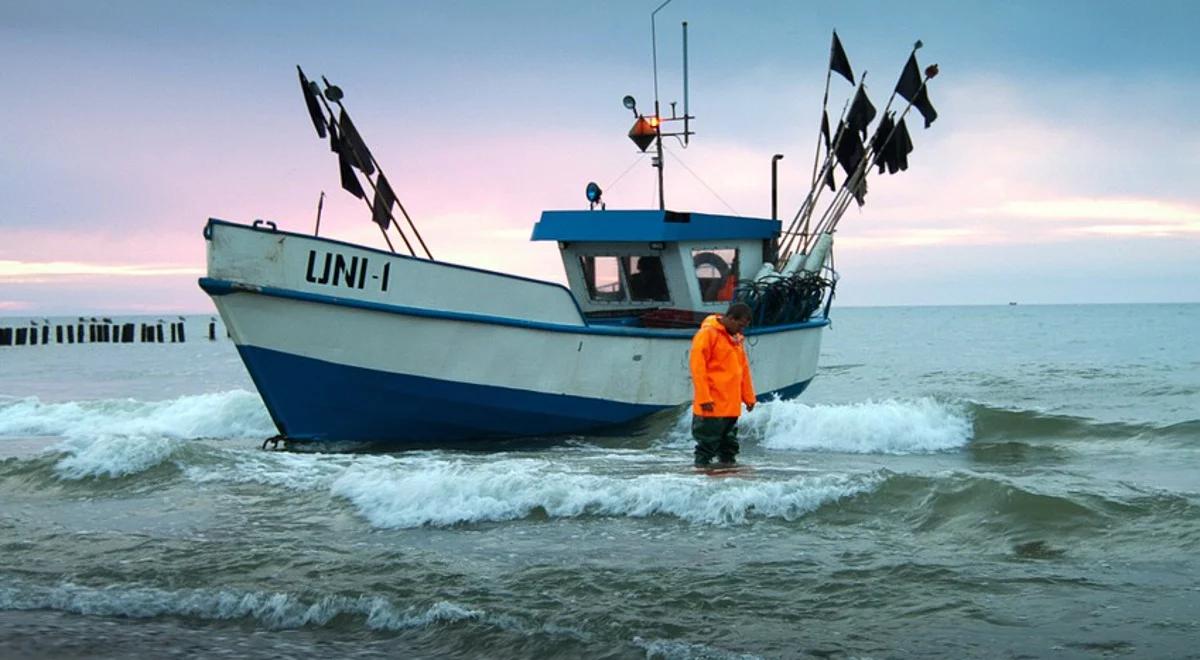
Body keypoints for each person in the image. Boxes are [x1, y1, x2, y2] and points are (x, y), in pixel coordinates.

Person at [689, 302, 756, 468]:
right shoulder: (707, 334)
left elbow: (743, 370)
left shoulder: (735, 340)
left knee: (729, 447)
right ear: (731, 318)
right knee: (707, 446)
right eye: (740, 325)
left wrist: (748, 397)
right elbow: (697, 367)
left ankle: (726, 479)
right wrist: (704, 397)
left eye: (744, 327)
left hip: (730, 405)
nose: (742, 329)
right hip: (711, 405)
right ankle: (700, 478)